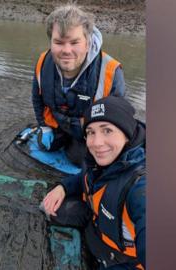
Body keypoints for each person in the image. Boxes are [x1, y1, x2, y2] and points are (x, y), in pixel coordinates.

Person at [42, 96, 146, 269]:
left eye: (107, 130)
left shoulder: (141, 186)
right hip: (96, 229)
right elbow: (84, 177)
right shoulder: (98, 160)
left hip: (123, 261)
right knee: (53, 210)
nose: (97, 143)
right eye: (91, 132)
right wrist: (63, 187)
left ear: (127, 134)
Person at [31, 4, 126, 165]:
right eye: (59, 42)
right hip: (58, 123)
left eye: (74, 42)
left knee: (78, 159)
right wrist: (43, 126)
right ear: (51, 42)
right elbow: (37, 98)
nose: (66, 50)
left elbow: (118, 121)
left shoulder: (111, 71)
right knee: (43, 146)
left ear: (87, 43)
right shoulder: (42, 61)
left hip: (88, 132)